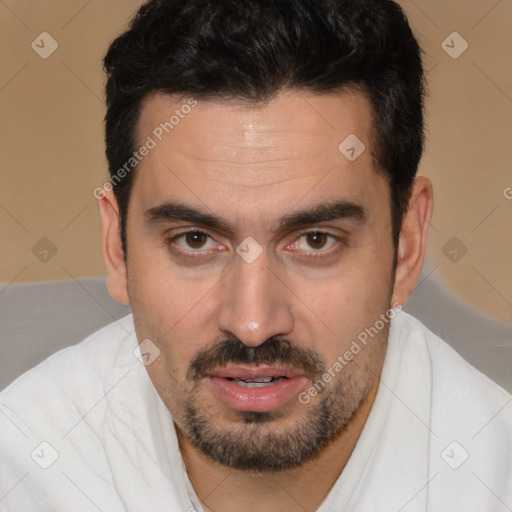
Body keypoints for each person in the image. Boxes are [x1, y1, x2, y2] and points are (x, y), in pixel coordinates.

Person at [1, 0, 511, 511]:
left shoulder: (494, 478)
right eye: (195, 240)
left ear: (406, 247)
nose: (252, 324)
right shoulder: (22, 468)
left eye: (315, 240)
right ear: (118, 248)